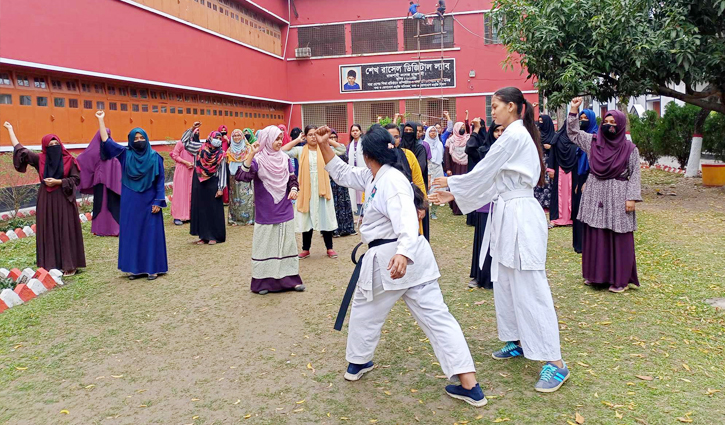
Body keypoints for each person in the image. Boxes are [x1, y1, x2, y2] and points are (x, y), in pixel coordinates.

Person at [317, 124, 487, 407]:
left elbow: (408, 218)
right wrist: (324, 145)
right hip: (403, 259)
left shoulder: (391, 181)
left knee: (371, 310)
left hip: (396, 257)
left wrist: (404, 253)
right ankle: (469, 384)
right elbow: (343, 173)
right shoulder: (375, 176)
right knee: (432, 317)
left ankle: (359, 362)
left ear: (368, 154)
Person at [430, 87, 569, 393]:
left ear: (512, 107)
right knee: (504, 280)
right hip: (507, 212)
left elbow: (487, 169)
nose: (492, 111)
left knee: (530, 286)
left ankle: (556, 363)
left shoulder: (515, 136)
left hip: (521, 215)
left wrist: (454, 182)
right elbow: (493, 180)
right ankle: (518, 339)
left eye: (495, 106)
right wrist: (456, 193)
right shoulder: (513, 135)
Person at [567, 98, 641, 293]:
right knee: (595, 233)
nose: (609, 127)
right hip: (594, 192)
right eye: (606, 123)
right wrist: (573, 110)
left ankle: (620, 280)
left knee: (618, 235)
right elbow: (573, 133)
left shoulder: (630, 149)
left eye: (613, 124)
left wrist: (631, 197)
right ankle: (596, 276)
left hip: (619, 193)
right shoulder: (593, 142)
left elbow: (635, 174)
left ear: (621, 126)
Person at [5, 123, 86, 276]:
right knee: (49, 229)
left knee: (65, 228)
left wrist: (59, 182)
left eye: (56, 144)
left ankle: (70, 265)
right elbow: (21, 150)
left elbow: (75, 179)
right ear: (44, 147)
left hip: (64, 199)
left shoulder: (69, 160)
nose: (54, 147)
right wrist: (10, 130)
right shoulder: (40, 159)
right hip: (46, 200)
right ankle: (51, 264)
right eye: (50, 145)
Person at [96, 111, 168, 280]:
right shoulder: (124, 155)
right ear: (130, 141)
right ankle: (135, 269)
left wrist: (158, 201)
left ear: (146, 139)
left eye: (141, 138)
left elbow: (160, 181)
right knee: (132, 233)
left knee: (151, 233)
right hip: (130, 201)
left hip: (150, 200)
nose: (139, 141)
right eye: (135, 139)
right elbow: (107, 142)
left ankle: (153, 268)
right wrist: (101, 120)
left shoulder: (155, 157)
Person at [235, 125, 305, 295]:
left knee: (287, 244)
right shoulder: (258, 160)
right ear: (267, 139)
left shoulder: (284, 159)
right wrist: (251, 154)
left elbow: (292, 179)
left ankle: (291, 281)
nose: (279, 142)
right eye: (276, 139)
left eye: (281, 139)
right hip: (266, 211)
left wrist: (294, 189)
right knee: (265, 246)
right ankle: (263, 283)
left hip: (285, 208)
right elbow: (241, 177)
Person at [282, 125, 345, 259]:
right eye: (310, 134)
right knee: (307, 217)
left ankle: (329, 248)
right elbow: (283, 151)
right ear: (305, 136)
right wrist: (298, 140)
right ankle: (306, 249)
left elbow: (341, 149)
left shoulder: (324, 149)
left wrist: (326, 140)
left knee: (325, 216)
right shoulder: (300, 150)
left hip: (323, 188)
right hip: (306, 188)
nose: (313, 137)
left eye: (315, 134)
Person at [464, 120, 501, 289]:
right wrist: (476, 130)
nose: (500, 134)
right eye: (496, 131)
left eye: (503, 131)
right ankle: (482, 277)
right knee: (484, 239)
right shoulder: (484, 151)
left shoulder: (511, 151)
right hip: (486, 201)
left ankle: (501, 278)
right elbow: (469, 148)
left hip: (505, 202)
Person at [182, 125, 228, 245]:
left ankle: (213, 236)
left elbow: (223, 171)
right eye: (215, 137)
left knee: (213, 210)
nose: (217, 140)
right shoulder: (200, 148)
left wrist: (221, 188)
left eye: (219, 138)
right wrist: (191, 129)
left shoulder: (221, 154)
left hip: (213, 182)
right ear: (210, 138)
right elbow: (185, 143)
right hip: (199, 181)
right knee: (201, 209)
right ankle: (203, 236)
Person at [77, 128, 122, 236]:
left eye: (107, 134)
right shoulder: (94, 149)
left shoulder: (114, 149)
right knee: (100, 205)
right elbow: (82, 159)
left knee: (113, 203)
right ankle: (100, 229)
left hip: (113, 182)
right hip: (100, 182)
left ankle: (114, 229)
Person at [386, 123, 427, 235]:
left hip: (408, 202)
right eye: (390, 137)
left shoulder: (408, 155)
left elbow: (418, 181)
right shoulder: (377, 157)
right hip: (385, 206)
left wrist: (422, 205)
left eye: (396, 137)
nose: (393, 141)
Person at [572, 109, 597, 253]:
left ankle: (588, 244)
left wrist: (588, 181)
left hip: (592, 176)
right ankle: (579, 244)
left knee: (587, 211)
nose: (582, 120)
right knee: (578, 210)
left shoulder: (595, 136)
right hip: (581, 176)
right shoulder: (582, 137)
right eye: (580, 117)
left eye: (585, 118)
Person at [402, 121, 430, 239]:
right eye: (406, 131)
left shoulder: (420, 148)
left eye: (411, 131)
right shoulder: (400, 148)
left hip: (417, 187)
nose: (408, 133)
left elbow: (421, 166)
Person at [329, 129, 356, 237]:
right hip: (331, 181)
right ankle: (335, 230)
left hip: (342, 180)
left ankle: (347, 228)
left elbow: (344, 155)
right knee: (334, 205)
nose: (333, 139)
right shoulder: (325, 150)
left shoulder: (340, 148)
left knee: (344, 203)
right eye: (330, 138)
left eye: (334, 137)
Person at [227, 128, 255, 226]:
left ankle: (249, 219)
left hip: (245, 175)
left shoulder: (248, 148)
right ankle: (234, 219)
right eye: (234, 136)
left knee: (247, 197)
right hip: (233, 175)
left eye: (239, 135)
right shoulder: (230, 150)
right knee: (235, 197)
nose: (237, 137)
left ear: (242, 136)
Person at [444, 117, 471, 216]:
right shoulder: (450, 141)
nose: (462, 128)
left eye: (463, 126)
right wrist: (448, 168)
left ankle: (465, 208)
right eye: (461, 127)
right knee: (455, 187)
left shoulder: (468, 138)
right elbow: (446, 155)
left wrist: (467, 120)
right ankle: (456, 209)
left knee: (465, 187)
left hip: (465, 166)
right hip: (454, 167)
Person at [169, 130, 195, 225]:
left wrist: (194, 164)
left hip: (192, 170)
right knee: (180, 192)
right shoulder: (180, 143)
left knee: (190, 192)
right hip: (182, 170)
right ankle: (178, 216)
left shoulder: (195, 145)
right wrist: (186, 162)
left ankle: (188, 215)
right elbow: (174, 155)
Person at [534, 115, 555, 211]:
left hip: (549, 163)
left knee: (548, 183)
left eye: (542, 121)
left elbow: (557, 150)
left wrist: (551, 148)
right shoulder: (537, 135)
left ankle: (548, 203)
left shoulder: (554, 136)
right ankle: (539, 202)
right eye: (539, 121)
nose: (540, 123)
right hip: (538, 162)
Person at [424, 125, 445, 220]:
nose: (433, 133)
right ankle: (426, 210)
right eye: (431, 131)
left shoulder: (439, 144)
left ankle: (433, 211)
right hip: (428, 166)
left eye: (434, 131)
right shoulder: (424, 144)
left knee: (437, 189)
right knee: (428, 189)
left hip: (438, 168)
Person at [347, 124, 365, 215]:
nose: (355, 132)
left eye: (356, 130)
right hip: (353, 172)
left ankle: (365, 213)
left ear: (360, 132)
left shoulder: (364, 143)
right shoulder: (349, 145)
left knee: (363, 192)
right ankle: (358, 214)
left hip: (363, 172)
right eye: (353, 131)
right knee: (355, 193)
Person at [218, 125, 230, 204]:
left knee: (227, 178)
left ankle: (227, 198)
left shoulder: (228, 138)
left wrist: (228, 141)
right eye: (221, 130)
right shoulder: (217, 138)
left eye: (224, 130)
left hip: (227, 161)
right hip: (218, 161)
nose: (223, 131)